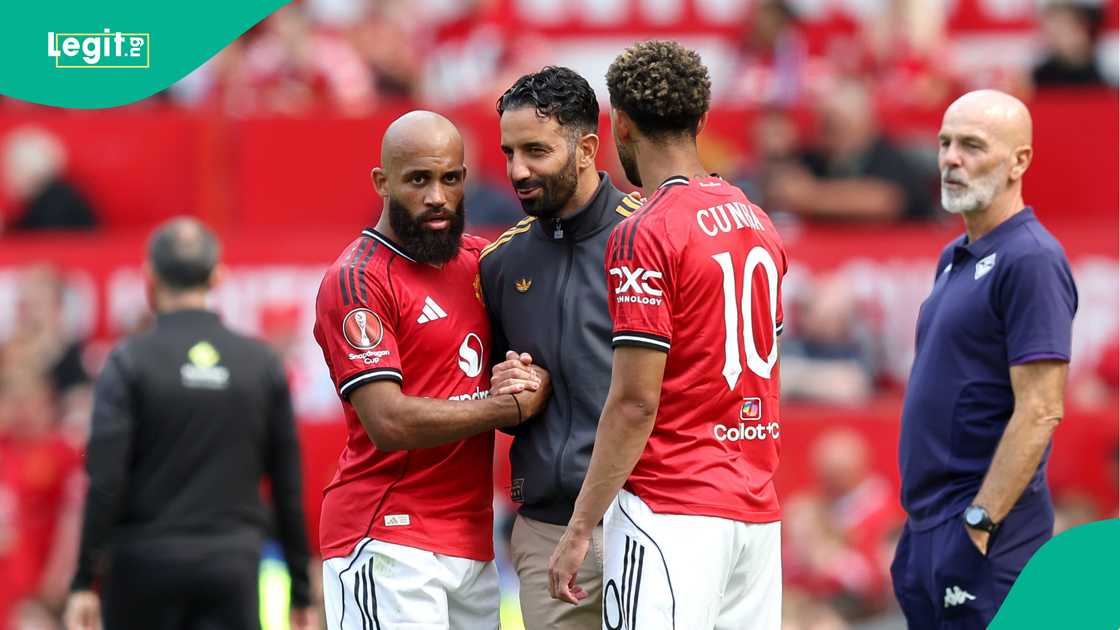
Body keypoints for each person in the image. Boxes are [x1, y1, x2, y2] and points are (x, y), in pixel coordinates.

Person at [548, 41, 788, 629]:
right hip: (755, 512)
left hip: (671, 507)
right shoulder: (758, 221)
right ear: (702, 120)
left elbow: (634, 401)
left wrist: (581, 526)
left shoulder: (645, 229)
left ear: (620, 124)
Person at [312, 110, 550, 630]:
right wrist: (502, 405)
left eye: (450, 178)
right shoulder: (357, 280)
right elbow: (388, 422)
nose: (437, 196)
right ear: (382, 182)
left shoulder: (480, 261)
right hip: (387, 534)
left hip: (470, 541)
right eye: (418, 179)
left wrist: (527, 377)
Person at [63, 217, 314, 630]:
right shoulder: (262, 363)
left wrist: (84, 582)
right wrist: (300, 588)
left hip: (143, 567)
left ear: (149, 278)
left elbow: (105, 479)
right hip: (231, 566)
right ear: (218, 276)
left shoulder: (128, 361)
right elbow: (288, 483)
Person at [891, 90, 1078, 629]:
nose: (951, 158)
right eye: (945, 143)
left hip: (985, 534)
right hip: (929, 526)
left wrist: (979, 521)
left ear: (1020, 160)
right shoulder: (955, 256)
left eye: (972, 146)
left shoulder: (1032, 259)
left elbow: (1041, 409)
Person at [481, 66, 638, 629]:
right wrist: (502, 390)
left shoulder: (649, 238)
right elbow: (479, 393)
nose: (516, 170)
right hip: (545, 534)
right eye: (508, 152)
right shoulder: (500, 262)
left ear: (586, 148)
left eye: (535, 151)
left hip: (646, 522)